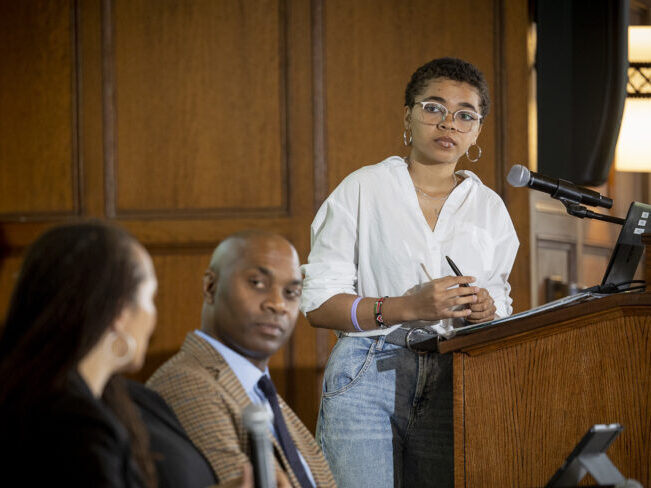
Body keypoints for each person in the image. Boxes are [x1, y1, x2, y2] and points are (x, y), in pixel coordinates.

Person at [301, 57, 519, 487]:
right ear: (409, 115)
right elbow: (319, 306)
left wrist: (486, 311)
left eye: (465, 115)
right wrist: (409, 306)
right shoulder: (364, 188)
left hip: (454, 377)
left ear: (477, 130)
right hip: (367, 371)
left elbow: (500, 311)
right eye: (433, 108)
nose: (448, 124)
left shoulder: (490, 208)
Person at [147, 230, 336, 488]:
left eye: (291, 292)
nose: (278, 304)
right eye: (257, 283)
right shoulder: (187, 383)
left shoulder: (260, 390)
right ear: (211, 286)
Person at [0, 221, 159, 487]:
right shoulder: (77, 426)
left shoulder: (30, 395)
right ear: (119, 312)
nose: (153, 317)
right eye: (150, 298)